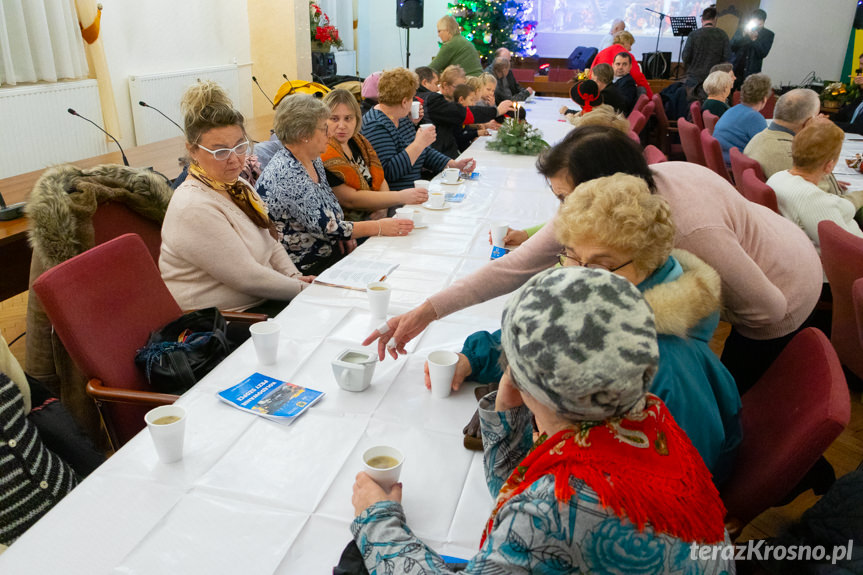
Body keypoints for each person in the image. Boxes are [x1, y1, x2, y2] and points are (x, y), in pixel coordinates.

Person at [364, 126, 822, 395]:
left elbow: (769, 308)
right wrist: (426, 311)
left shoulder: (689, 230)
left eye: (567, 197)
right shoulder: (618, 208)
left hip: (785, 285)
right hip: (757, 246)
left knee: (733, 395)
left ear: (606, 186)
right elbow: (514, 265)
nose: (562, 215)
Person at [348, 266, 733, 574]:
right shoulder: (649, 417)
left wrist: (376, 520)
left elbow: (533, 508)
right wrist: (508, 409)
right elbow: (513, 488)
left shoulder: (555, 508)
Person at [439, 174, 742, 483]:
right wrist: (476, 357)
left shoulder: (667, 365)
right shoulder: (601, 309)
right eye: (571, 255)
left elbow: (683, 485)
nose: (577, 277)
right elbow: (545, 334)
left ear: (648, 263)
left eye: (599, 265)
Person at [160, 81, 311, 313]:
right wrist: (302, 291)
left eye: (240, 146)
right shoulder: (192, 206)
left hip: (259, 303)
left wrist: (296, 277)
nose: (234, 159)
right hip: (222, 322)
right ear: (192, 151)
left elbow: (270, 242)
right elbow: (247, 278)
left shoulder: (237, 185)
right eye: (220, 151)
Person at [256, 94, 414, 274]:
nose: (329, 133)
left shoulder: (311, 159)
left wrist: (345, 233)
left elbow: (330, 207)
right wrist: (379, 227)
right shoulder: (288, 173)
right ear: (303, 135)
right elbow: (327, 227)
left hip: (329, 250)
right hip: (303, 267)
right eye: (324, 128)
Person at [321, 89, 428, 222]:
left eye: (348, 118)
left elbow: (380, 177)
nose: (342, 125)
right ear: (323, 120)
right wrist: (399, 197)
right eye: (334, 119)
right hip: (350, 224)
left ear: (357, 119)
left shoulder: (359, 141)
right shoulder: (322, 152)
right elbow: (350, 200)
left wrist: (383, 207)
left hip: (378, 212)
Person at [360, 68, 473, 191]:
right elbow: (388, 173)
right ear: (404, 102)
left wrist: (452, 164)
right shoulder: (376, 125)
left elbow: (423, 153)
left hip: (413, 191)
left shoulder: (400, 118)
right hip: (398, 198)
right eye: (412, 97)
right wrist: (419, 144)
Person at [766, 120, 863, 254]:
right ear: (829, 165)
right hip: (841, 267)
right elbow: (845, 249)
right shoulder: (813, 199)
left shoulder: (778, 177)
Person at [744, 88, 846, 196]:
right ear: (809, 122)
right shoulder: (791, 153)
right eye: (817, 116)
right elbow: (826, 198)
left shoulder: (759, 137)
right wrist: (818, 133)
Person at [425, 65, 511, 159]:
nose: (462, 91)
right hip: (439, 157)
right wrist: (496, 111)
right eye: (458, 87)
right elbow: (465, 115)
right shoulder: (437, 102)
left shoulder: (451, 100)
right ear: (445, 85)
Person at [712, 72, 771, 163]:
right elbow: (766, 150)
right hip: (735, 165)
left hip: (722, 160)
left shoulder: (732, 110)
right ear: (764, 99)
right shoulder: (754, 118)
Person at [592, 30, 654, 98]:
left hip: (596, 93)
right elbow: (638, 78)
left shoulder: (601, 53)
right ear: (626, 42)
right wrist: (650, 97)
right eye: (630, 44)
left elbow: (592, 73)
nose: (630, 49)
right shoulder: (627, 56)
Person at [682, 6, 731, 89]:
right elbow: (727, 57)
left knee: (692, 102)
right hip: (714, 80)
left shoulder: (693, 35)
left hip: (693, 80)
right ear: (715, 19)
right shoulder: (723, 35)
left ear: (702, 20)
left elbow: (685, 57)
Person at [730, 9, 774, 89]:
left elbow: (763, 53)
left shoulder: (768, 34)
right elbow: (732, 46)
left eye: (758, 23)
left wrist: (754, 40)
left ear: (762, 22)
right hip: (735, 69)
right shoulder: (742, 29)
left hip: (751, 72)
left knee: (747, 95)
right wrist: (743, 36)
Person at [833, 53, 863, 135]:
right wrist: (826, 118)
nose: (860, 67)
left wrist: (829, 124)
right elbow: (843, 115)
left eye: (862, 64)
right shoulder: (859, 100)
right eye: (860, 64)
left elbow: (858, 129)